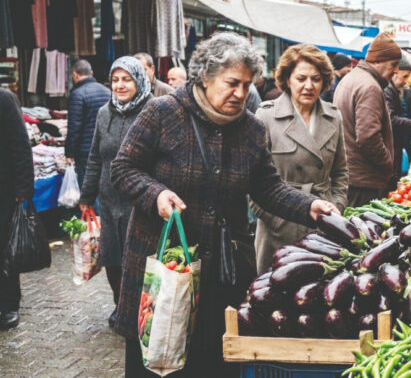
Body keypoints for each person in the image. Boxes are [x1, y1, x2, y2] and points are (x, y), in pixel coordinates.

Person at [111, 32, 339, 376]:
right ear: (205, 76)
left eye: (247, 86)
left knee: (212, 359)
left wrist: (309, 206)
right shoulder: (163, 112)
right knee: (157, 355)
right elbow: (123, 168)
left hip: (222, 269)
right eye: (233, 83)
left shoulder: (250, 129)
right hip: (165, 263)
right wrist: (155, 193)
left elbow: (268, 187)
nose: (241, 94)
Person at [252, 44, 349, 272]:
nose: (308, 86)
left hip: (323, 225)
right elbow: (252, 182)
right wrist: (275, 220)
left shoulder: (333, 117)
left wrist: (336, 210)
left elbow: (341, 173)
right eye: (301, 78)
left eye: (316, 79)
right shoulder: (266, 115)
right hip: (278, 225)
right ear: (287, 79)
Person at [79, 56, 153, 327]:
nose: (120, 86)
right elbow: (95, 157)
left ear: (139, 80)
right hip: (109, 201)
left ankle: (141, 309)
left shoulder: (154, 109)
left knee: (139, 258)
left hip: (140, 200)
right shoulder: (104, 113)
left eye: (127, 79)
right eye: (115, 80)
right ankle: (120, 305)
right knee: (112, 258)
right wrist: (86, 196)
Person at [334, 33, 401, 207]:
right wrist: (388, 165)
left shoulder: (350, 79)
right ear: (378, 61)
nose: (396, 71)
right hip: (362, 180)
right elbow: (368, 136)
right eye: (393, 65)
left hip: (349, 175)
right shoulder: (370, 87)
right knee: (360, 231)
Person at [0, 88, 34, 330]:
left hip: (4, 190)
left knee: (4, 249)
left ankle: (9, 304)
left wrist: (23, 191)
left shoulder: (4, 99)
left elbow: (21, 146)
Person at [65, 59, 111, 186]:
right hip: (105, 146)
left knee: (88, 187)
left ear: (75, 74)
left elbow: (74, 127)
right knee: (104, 185)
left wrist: (69, 153)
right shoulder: (107, 91)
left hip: (86, 151)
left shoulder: (77, 95)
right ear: (91, 73)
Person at [384, 58, 411, 183]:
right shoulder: (387, 91)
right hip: (390, 147)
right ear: (395, 72)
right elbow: (389, 119)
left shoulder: (393, 90)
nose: (406, 81)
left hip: (395, 144)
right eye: (404, 77)